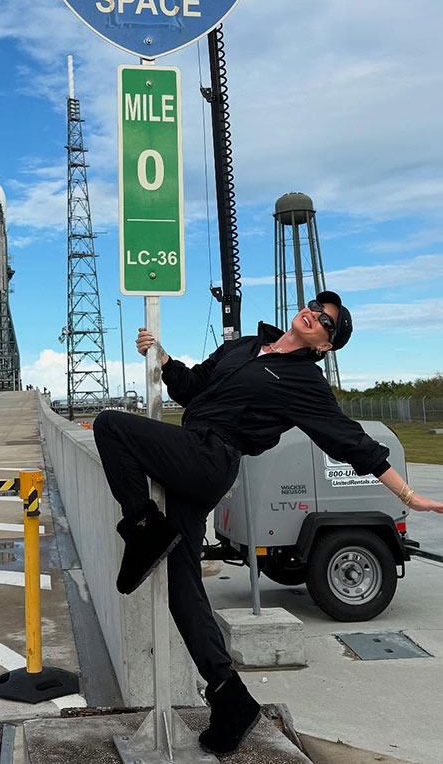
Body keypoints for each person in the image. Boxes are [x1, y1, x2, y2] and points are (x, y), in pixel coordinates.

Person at [93, 291, 443, 756]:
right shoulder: (242, 347)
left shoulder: (304, 381)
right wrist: (160, 354)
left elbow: (349, 440)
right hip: (189, 451)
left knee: (111, 426)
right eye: (317, 309)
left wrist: (406, 494)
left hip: (212, 459)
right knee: (182, 588)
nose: (315, 316)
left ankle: (142, 528)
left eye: (326, 322)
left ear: (326, 345)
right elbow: (193, 388)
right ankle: (229, 698)